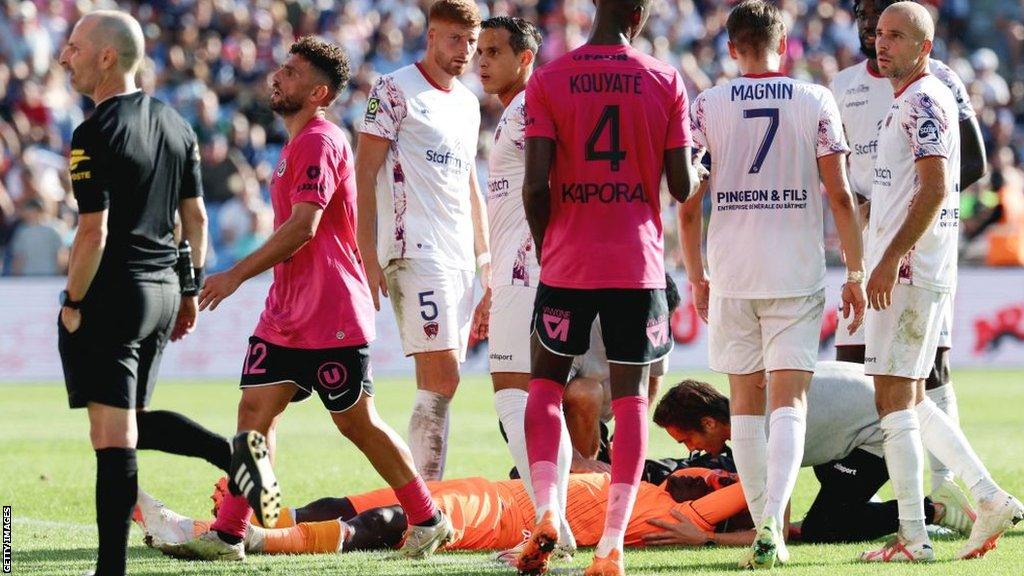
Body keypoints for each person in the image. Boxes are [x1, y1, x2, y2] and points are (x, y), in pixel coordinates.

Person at [161, 36, 451, 562]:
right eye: (281, 68)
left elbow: (303, 228)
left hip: (331, 312)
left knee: (356, 423)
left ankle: (429, 516)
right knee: (254, 413)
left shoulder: (320, 141)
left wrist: (234, 276)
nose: (278, 76)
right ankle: (229, 534)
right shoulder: (294, 145)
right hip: (286, 314)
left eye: (292, 72)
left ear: (318, 92)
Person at [678, 0, 866, 568]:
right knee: (790, 400)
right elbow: (839, 194)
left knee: (745, 402)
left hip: (734, 270)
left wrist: (696, 277)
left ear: (731, 48)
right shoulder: (815, 99)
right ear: (784, 46)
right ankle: (775, 532)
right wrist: (855, 270)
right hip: (795, 270)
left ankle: (764, 522)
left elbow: (688, 204)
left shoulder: (706, 104)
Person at [518, 0, 699, 573]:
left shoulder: (548, 78)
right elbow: (681, 183)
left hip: (568, 259)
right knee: (631, 400)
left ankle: (548, 509)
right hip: (636, 263)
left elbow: (534, 186)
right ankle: (612, 544)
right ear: (641, 14)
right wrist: (698, 165)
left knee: (545, 387)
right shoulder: (665, 79)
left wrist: (551, 247)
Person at [861, 2, 1023, 563]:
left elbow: (933, 187)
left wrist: (888, 259)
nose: (883, 45)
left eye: (897, 36)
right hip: (913, 268)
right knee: (905, 394)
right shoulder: (907, 98)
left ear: (924, 46)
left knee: (892, 397)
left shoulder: (924, 99)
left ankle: (913, 536)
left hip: (910, 271)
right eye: (880, 35)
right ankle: (987, 497)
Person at [56, 10, 212, 576]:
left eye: (73, 47)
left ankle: (111, 569)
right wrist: (188, 289)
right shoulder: (178, 124)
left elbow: (92, 232)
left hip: (117, 293)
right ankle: (231, 452)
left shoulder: (93, 132)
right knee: (130, 422)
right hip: (165, 291)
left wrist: (73, 302)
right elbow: (194, 219)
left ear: (104, 57)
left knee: (112, 436)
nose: (63, 57)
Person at [830, 0, 987, 496]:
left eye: (891, 29)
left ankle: (931, 509)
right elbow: (842, 184)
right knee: (877, 382)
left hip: (910, 255)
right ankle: (977, 496)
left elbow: (959, 171)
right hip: (874, 252)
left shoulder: (931, 87)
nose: (877, 36)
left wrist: (903, 214)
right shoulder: (846, 87)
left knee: (914, 381)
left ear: (921, 43)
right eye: (869, 22)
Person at [356, 0, 488, 483]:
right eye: (456, 39)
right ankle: (426, 502)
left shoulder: (469, 101)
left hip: (459, 260)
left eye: (472, 43)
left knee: (439, 384)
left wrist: (485, 258)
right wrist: (366, 255)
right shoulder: (393, 89)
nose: (465, 52)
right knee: (444, 377)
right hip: (413, 250)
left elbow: (470, 183)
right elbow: (363, 176)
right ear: (432, 35)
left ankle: (424, 504)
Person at [468, 15, 580, 559]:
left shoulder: (527, 107)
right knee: (543, 398)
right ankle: (556, 524)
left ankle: (546, 525)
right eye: (480, 51)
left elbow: (548, 185)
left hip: (530, 266)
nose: (481, 61)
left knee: (515, 395)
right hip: (535, 266)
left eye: (493, 51)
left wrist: (538, 256)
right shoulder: (523, 109)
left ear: (525, 58)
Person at [650, 362, 974, 545]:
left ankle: (936, 509)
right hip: (874, 417)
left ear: (708, 422)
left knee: (824, 528)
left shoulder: (757, 430)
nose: (690, 449)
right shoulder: (749, 394)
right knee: (822, 510)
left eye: (687, 439)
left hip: (884, 433)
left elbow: (775, 532)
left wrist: (705, 537)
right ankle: (862, 508)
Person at [138, 467, 753, 557]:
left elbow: (755, 481)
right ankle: (228, 521)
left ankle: (245, 539)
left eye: (713, 473)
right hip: (495, 489)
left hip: (508, 516)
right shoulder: (653, 484)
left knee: (397, 523)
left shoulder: (685, 515)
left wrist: (726, 540)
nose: (702, 466)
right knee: (361, 499)